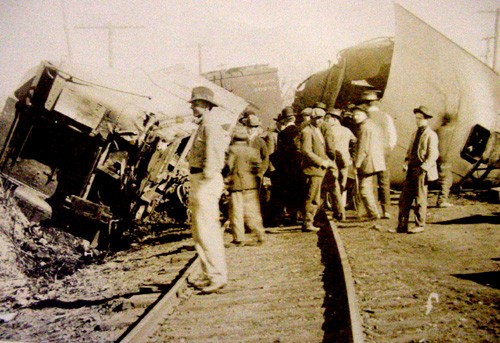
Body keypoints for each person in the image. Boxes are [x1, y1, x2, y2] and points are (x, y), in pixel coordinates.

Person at [186, 86, 228, 294]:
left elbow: (213, 157)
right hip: (200, 179)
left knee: (207, 230)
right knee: (200, 231)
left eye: (197, 103)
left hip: (205, 180)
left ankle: (217, 275)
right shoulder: (204, 124)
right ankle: (209, 272)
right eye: (194, 103)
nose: (193, 106)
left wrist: (204, 180)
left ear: (207, 105)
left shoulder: (210, 125)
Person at [392, 106, 439, 234]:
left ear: (426, 120)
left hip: (421, 171)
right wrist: (406, 162)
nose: (417, 121)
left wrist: (424, 168)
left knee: (420, 199)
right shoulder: (414, 134)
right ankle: (402, 226)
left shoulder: (431, 135)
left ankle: (420, 225)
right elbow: (410, 151)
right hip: (411, 170)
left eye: (420, 119)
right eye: (416, 118)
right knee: (404, 199)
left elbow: (433, 154)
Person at [226, 127, 266, 246]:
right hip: (250, 185)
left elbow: (228, 166)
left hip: (236, 184)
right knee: (252, 212)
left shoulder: (231, 150)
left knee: (236, 212)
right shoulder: (252, 151)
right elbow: (258, 166)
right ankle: (260, 235)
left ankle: (239, 238)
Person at [360, 90, 397, 219]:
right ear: (376, 103)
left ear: (365, 104)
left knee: (370, 181)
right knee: (384, 181)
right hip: (384, 151)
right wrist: (388, 148)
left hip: (369, 153)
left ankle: (373, 210)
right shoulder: (386, 116)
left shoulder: (363, 118)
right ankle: (386, 210)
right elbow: (393, 136)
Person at [300, 108, 335, 232]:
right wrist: (321, 161)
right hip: (313, 169)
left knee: (315, 196)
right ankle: (308, 222)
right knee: (312, 197)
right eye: (317, 118)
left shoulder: (317, 130)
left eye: (321, 118)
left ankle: (311, 220)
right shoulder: (307, 131)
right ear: (312, 118)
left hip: (318, 169)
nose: (319, 121)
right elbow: (306, 151)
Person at [268, 106, 303, 226]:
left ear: (284, 120)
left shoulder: (284, 133)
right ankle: (293, 217)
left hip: (285, 169)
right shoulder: (299, 131)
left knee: (280, 194)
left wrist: (274, 159)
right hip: (297, 168)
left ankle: (278, 219)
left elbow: (281, 153)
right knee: (295, 193)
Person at [352, 105, 386, 220]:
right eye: (354, 115)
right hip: (375, 160)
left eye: (358, 115)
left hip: (368, 162)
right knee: (368, 188)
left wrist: (357, 164)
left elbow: (363, 149)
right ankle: (372, 212)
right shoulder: (372, 125)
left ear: (364, 115)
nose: (355, 117)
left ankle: (373, 213)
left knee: (364, 189)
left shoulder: (364, 128)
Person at [323, 108, 357, 220]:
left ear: (334, 119)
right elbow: (355, 142)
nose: (326, 120)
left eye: (328, 118)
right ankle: (339, 206)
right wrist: (352, 155)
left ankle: (334, 206)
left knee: (332, 184)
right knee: (342, 183)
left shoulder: (327, 131)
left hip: (332, 160)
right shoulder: (346, 130)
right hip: (345, 160)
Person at [436, 113, 456, 207]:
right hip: (445, 158)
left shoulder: (437, 130)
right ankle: (442, 200)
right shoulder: (450, 131)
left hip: (437, 157)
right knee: (446, 180)